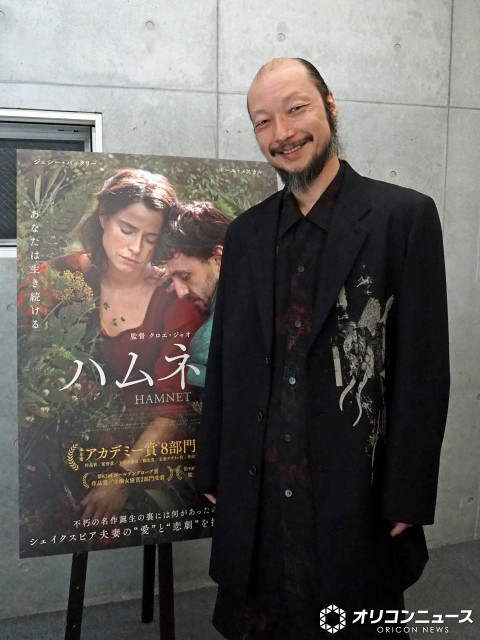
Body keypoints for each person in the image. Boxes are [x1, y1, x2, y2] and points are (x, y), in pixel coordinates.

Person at [194, 58, 450, 639]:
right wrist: (213, 464)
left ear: (330, 107)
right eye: (263, 121)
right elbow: (227, 360)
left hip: (352, 484)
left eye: (296, 109)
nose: (281, 133)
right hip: (258, 488)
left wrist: (408, 489)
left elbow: (423, 369)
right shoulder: (246, 233)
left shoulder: (402, 217)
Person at [19, 169, 204, 522]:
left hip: (147, 458)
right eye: (127, 230)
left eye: (150, 238)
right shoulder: (58, 277)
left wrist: (122, 478)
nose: (136, 249)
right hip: (57, 453)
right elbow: (27, 362)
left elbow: (174, 407)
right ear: (104, 217)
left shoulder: (175, 300)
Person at [155, 200, 231, 387]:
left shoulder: (205, 348)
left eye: (185, 276)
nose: (180, 293)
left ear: (218, 259)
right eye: (172, 280)